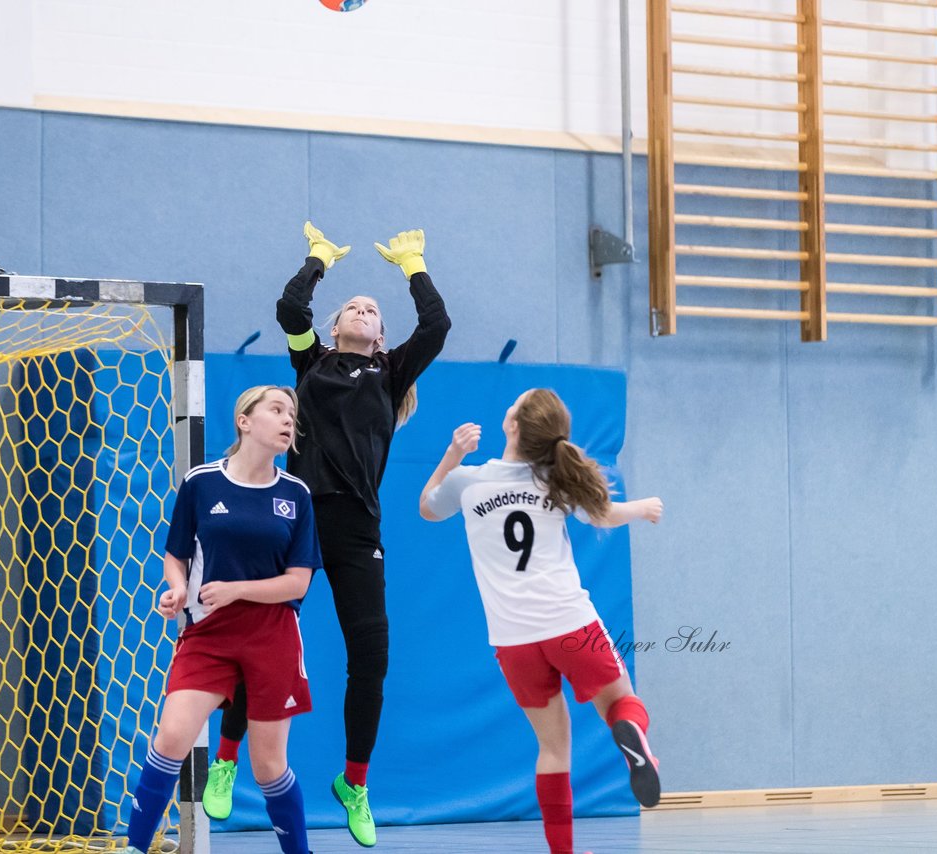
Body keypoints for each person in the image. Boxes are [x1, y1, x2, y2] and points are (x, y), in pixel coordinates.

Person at [202, 222, 451, 848]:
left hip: (359, 528)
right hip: (298, 520)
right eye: (354, 307)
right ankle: (228, 757)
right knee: (258, 642)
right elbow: (290, 308)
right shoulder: (310, 361)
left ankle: (355, 784)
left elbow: (438, 326)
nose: (364, 310)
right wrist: (317, 261)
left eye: (374, 310)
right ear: (337, 326)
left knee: (372, 657)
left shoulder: (391, 372)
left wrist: (413, 267)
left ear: (381, 336)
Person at [417, 388, 663, 854]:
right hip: (569, 622)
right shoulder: (555, 480)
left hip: (513, 640)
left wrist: (451, 455)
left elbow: (427, 508)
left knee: (552, 748)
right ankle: (632, 738)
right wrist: (642, 508)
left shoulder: (470, 482)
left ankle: (562, 853)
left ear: (512, 427)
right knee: (621, 702)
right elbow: (604, 515)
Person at [122, 385, 321, 854]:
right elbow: (176, 557)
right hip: (208, 634)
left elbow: (298, 584)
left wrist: (237, 591)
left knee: (269, 765)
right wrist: (174, 589)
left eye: (291, 412)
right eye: (277, 409)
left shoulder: (296, 494)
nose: (288, 418)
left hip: (272, 636)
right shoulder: (201, 482)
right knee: (171, 736)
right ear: (244, 421)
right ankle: (135, 846)